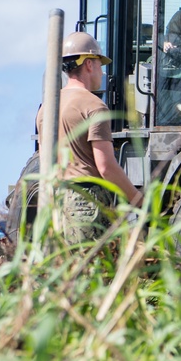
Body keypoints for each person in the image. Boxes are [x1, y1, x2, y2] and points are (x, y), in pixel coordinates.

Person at [37, 32, 143, 243]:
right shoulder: (94, 105)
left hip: (57, 204)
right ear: (88, 64)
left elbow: (45, 162)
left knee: (67, 272)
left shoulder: (46, 107)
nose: (102, 73)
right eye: (100, 65)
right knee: (93, 272)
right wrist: (137, 198)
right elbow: (105, 166)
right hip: (86, 204)